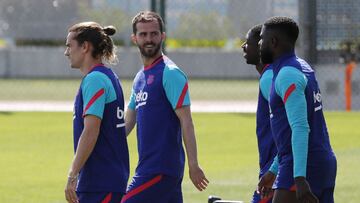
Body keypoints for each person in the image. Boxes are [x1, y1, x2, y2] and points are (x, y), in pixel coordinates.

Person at [121, 11, 208, 203]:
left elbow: (186, 121)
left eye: (154, 33)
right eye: (143, 34)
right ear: (134, 38)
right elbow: (129, 120)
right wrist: (103, 139)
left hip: (160, 169)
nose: (149, 39)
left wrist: (193, 164)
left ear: (162, 36)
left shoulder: (171, 73)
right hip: (149, 167)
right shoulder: (139, 78)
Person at [257, 16, 337, 203]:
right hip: (319, 161)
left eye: (262, 38)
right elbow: (290, 133)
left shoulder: (287, 75)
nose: (260, 43)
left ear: (273, 42)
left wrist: (299, 178)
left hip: (303, 166)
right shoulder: (302, 67)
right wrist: (274, 170)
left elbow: (300, 128)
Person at [64, 22, 129, 203]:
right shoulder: (106, 76)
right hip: (104, 181)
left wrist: (72, 174)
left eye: (70, 45)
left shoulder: (95, 80)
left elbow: (91, 130)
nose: (66, 52)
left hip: (100, 182)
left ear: (85, 47)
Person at [242, 24, 277, 203]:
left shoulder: (270, 77)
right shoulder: (271, 74)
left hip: (276, 170)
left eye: (248, 42)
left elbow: (292, 126)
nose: (243, 46)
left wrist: (274, 169)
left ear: (262, 45)